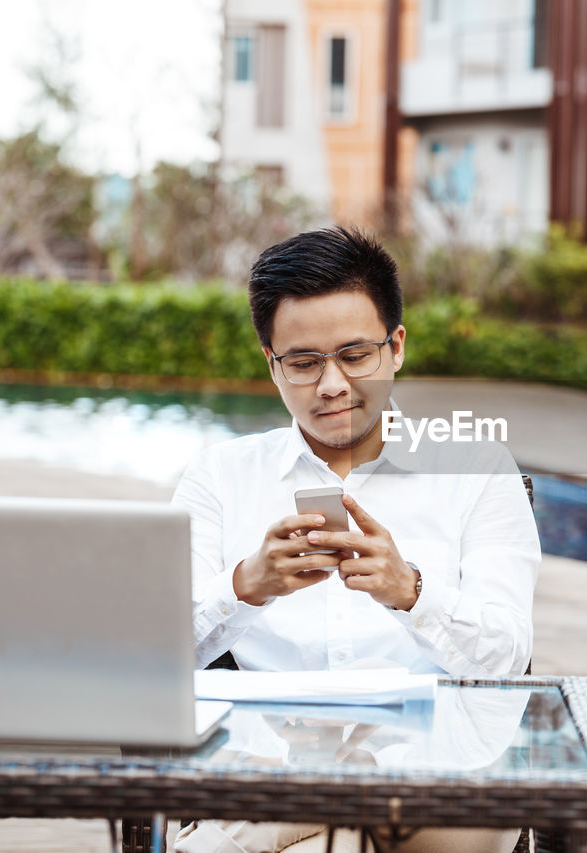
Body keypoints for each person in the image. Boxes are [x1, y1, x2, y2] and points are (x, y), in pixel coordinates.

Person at [171, 226, 540, 853]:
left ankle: (304, 818)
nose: (333, 385)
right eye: (304, 362)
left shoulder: (477, 468)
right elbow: (152, 653)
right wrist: (244, 587)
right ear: (272, 365)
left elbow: (507, 660)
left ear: (395, 348)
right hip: (266, 761)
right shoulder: (221, 477)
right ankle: (323, 812)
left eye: (355, 355)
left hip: (435, 771)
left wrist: (411, 592)